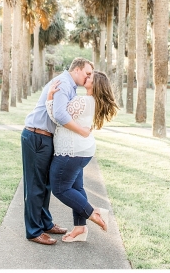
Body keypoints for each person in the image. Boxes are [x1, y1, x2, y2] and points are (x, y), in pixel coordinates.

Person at [21, 57, 94, 245]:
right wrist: (82, 132)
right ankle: (34, 231)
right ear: (76, 70)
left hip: (46, 138)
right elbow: (61, 115)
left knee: (45, 185)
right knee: (36, 186)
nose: (88, 78)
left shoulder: (70, 87)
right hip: (37, 136)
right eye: (87, 73)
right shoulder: (63, 83)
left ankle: (45, 223)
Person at [46, 70, 119, 242]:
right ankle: (80, 229)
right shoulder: (95, 102)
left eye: (90, 77)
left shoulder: (83, 101)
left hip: (71, 152)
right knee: (76, 188)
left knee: (60, 188)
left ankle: (93, 212)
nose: (86, 77)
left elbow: (59, 117)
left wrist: (50, 97)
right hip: (83, 151)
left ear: (95, 84)